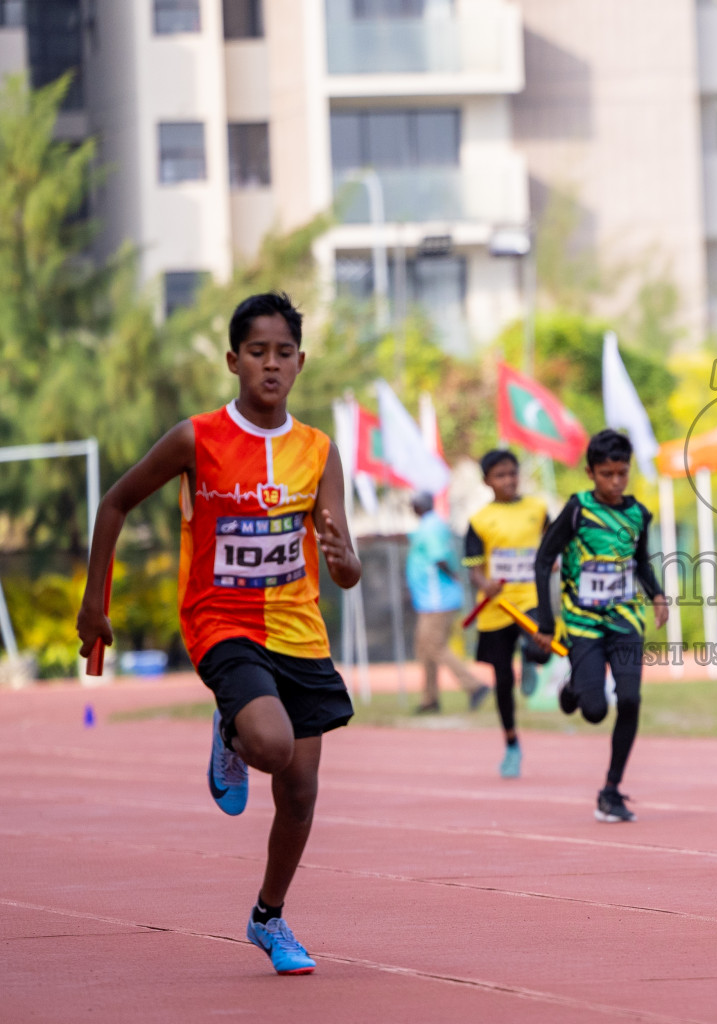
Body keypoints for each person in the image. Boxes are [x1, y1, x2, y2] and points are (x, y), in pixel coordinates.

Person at [75, 293, 361, 975]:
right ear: (233, 360)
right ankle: (232, 729)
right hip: (220, 622)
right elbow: (115, 502)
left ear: (300, 362)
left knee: (299, 793)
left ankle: (269, 916)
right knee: (270, 744)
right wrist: (94, 602)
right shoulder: (195, 439)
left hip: (300, 631)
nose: (271, 363)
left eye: (283, 352)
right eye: (257, 352)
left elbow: (344, 567)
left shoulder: (319, 451)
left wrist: (346, 561)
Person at [531, 429, 668, 823]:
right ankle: (574, 685)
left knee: (630, 700)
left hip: (625, 620)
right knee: (593, 711)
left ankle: (610, 790)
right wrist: (546, 618)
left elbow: (639, 561)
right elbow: (544, 560)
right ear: (591, 472)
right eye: (607, 474)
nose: (615, 482)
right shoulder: (578, 510)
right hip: (583, 621)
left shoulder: (638, 513)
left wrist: (656, 594)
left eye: (622, 473)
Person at [462, 449, 548, 778]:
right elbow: (473, 568)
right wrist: (485, 584)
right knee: (502, 681)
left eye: (513, 473)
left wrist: (553, 559)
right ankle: (512, 743)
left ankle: (530, 659)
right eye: (500, 475)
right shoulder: (479, 520)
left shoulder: (537, 508)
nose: (509, 480)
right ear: (487, 481)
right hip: (497, 608)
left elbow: (554, 544)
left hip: (530, 599)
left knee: (541, 645)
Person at [406, 491, 490, 714]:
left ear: (421, 505)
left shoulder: (430, 527)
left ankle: (475, 686)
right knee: (425, 648)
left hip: (437, 598)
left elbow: (438, 557)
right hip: (429, 599)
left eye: (413, 503)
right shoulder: (430, 524)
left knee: (434, 645)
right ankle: (430, 699)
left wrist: (453, 575)